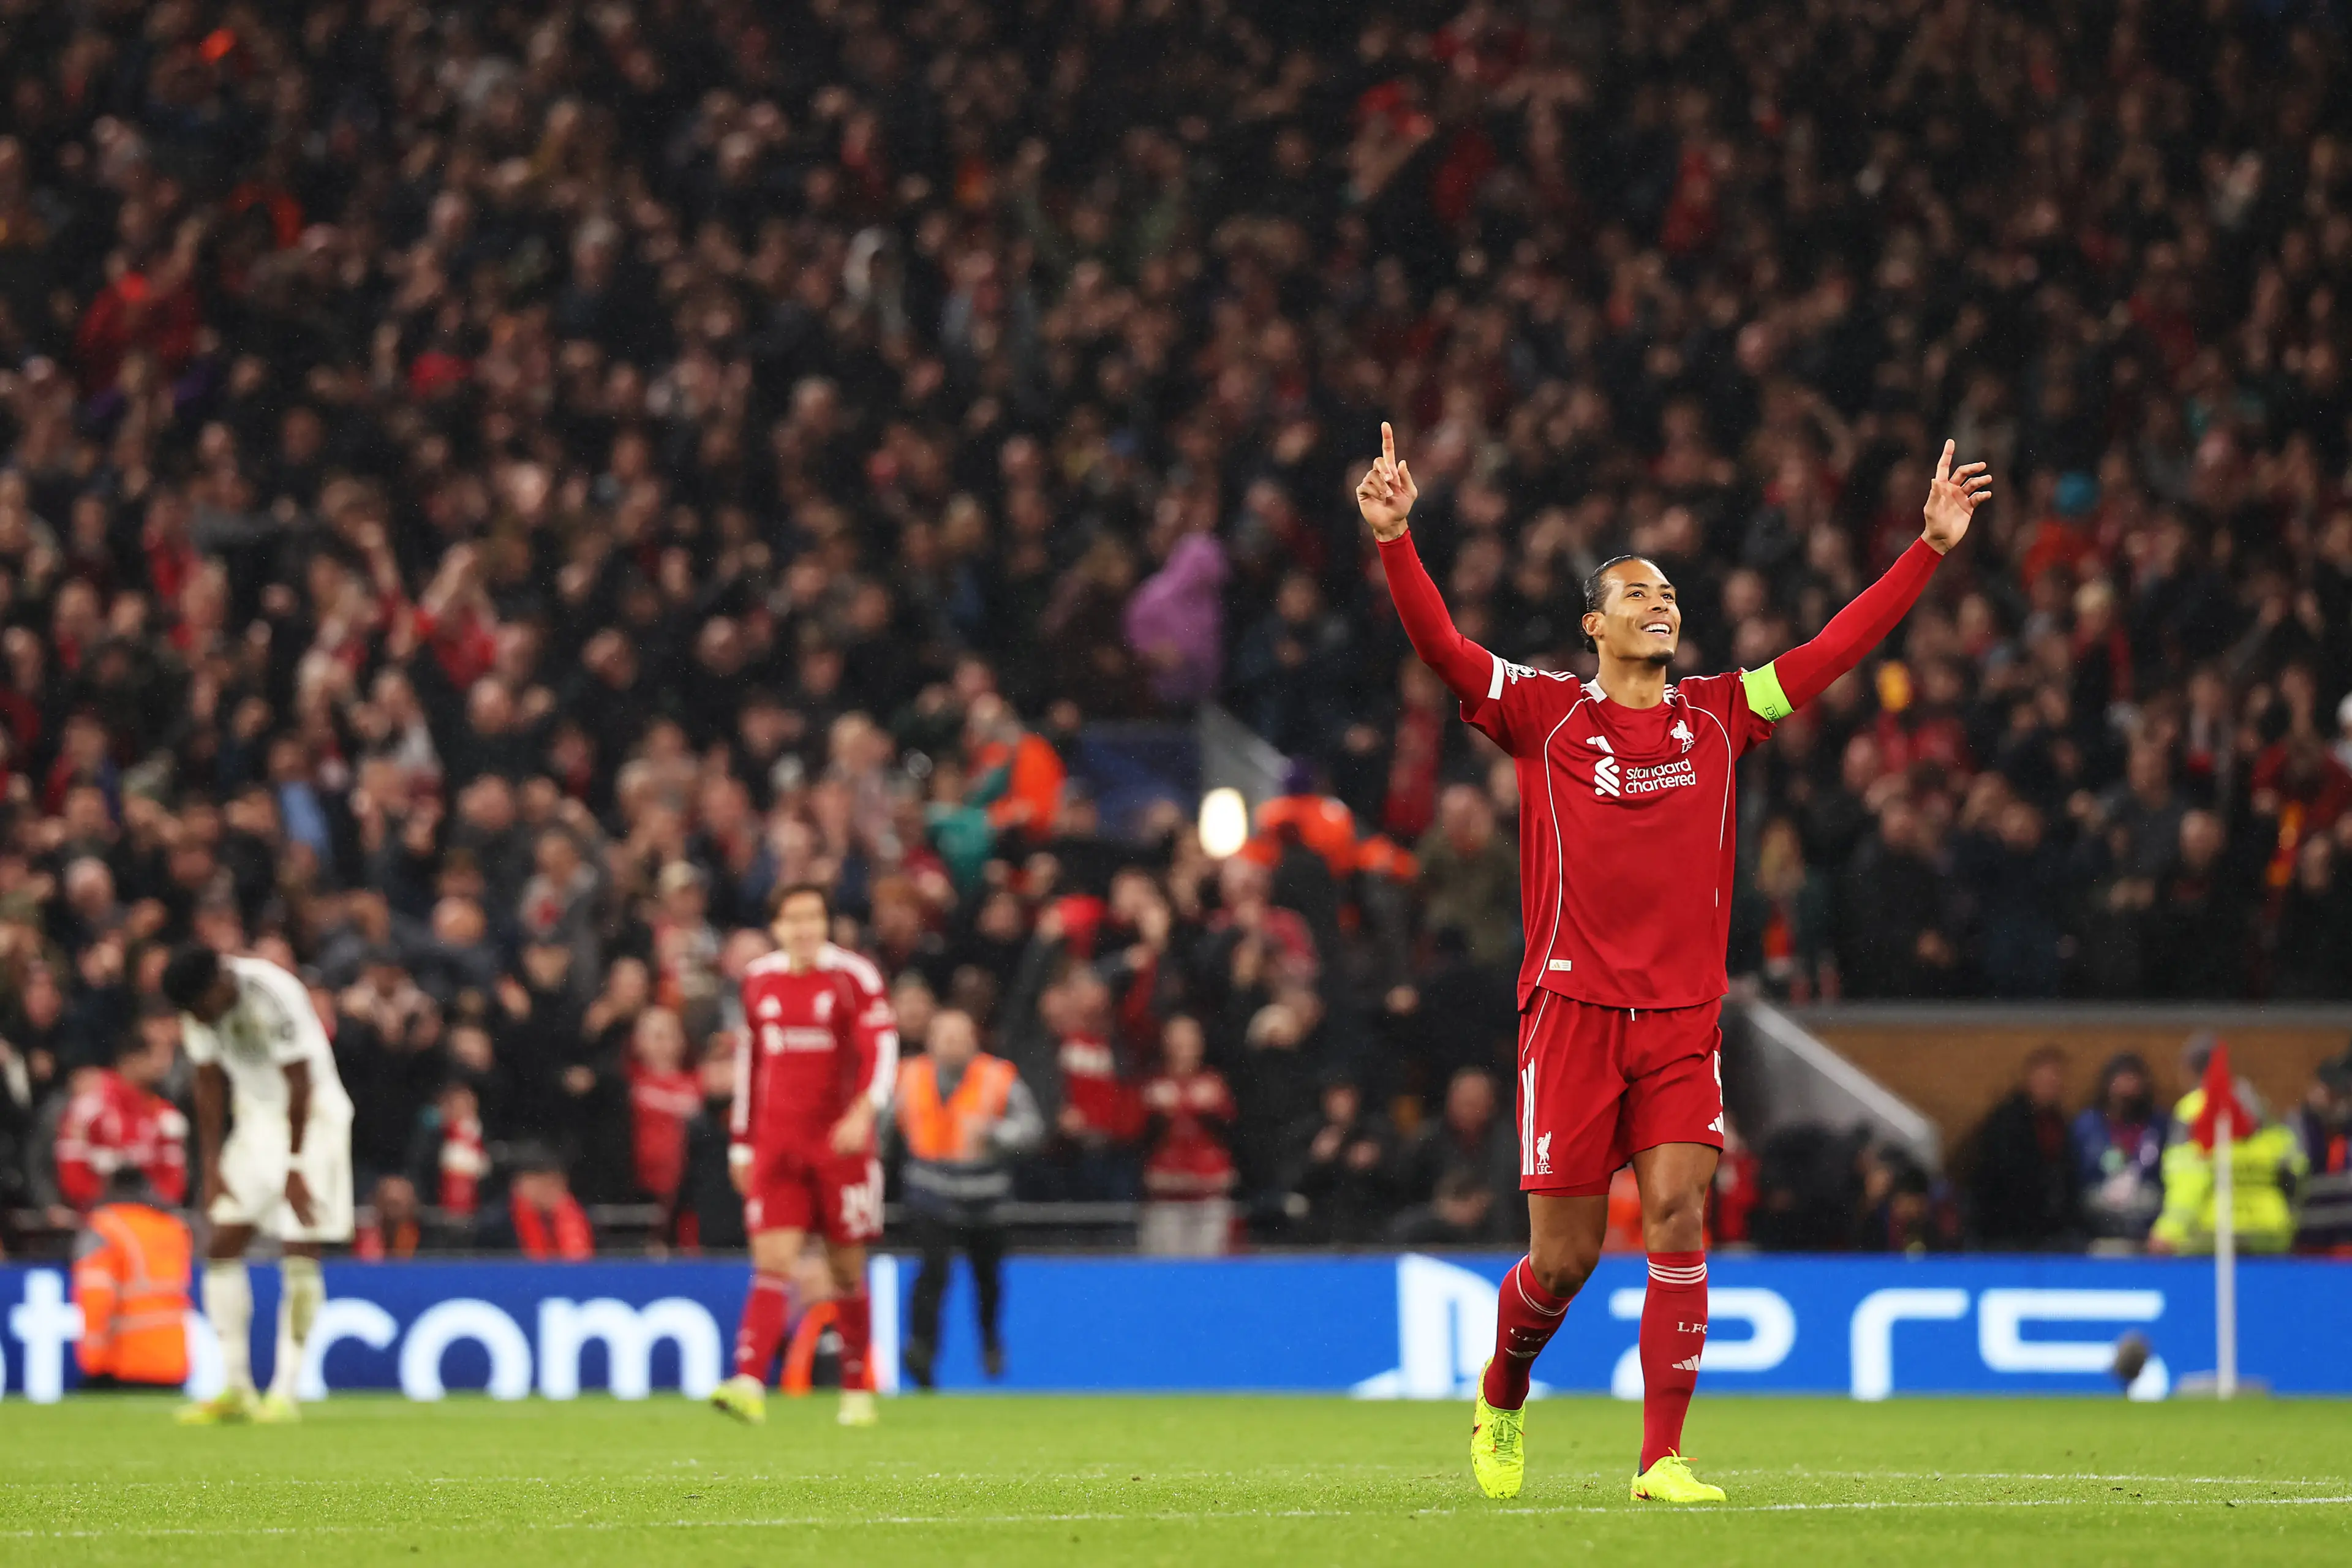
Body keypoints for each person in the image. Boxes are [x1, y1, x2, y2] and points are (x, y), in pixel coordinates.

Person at [1360, 421, 1991, 1503]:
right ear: (1593, 625)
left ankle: (1662, 1460)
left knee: (1678, 1218)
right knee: (1561, 1263)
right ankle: (1503, 1393)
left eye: (1670, 595)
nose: (1664, 606)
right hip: (1569, 1015)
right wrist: (1397, 541)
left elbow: (1834, 652)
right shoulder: (1546, 713)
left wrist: (1927, 549)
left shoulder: (1723, 714)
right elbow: (1444, 653)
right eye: (1640, 594)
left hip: (1681, 1022)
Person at [711, 883, 897, 1429]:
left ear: (826, 923)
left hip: (840, 1146)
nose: (805, 929)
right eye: (793, 920)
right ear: (777, 927)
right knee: (773, 1261)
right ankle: (748, 1382)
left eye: (814, 918)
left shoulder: (854, 977)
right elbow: (751, 1066)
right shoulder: (759, 980)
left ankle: (858, 1388)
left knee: (845, 1270)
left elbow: (881, 1049)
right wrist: (743, 1141)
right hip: (777, 1146)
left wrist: (866, 1112)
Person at [164, 943, 355, 1426]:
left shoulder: (273, 991)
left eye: (204, 1006)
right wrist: (209, 1165)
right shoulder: (198, 1008)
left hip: (314, 1122)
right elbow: (207, 1082)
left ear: (221, 980)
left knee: (299, 1247)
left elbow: (301, 1079)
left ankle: (285, 1392)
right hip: (254, 1124)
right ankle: (236, 1388)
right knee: (222, 1242)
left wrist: (295, 1166)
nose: (203, 1017)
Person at [894, 1007, 1042, 1389]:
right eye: (944, 1038)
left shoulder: (998, 1077)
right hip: (930, 1191)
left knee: (987, 1277)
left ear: (973, 1041)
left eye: (959, 1038)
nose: (952, 1046)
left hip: (985, 1195)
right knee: (932, 1275)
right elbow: (883, 1127)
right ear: (930, 1042)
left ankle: (991, 1340)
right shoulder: (909, 1076)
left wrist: (994, 1133)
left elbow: (1032, 1127)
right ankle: (922, 1351)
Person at [72, 1167, 193, 1391]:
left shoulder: (105, 1228)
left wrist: (94, 1364)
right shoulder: (172, 1227)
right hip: (173, 1362)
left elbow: (96, 1297)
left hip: (125, 1363)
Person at [54, 1020, 187, 1213]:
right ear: (130, 1058)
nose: (165, 1063)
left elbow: (174, 1182)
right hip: (94, 1219)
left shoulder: (166, 1116)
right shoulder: (88, 1107)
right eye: (158, 1053)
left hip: (153, 1219)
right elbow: (72, 1172)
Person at [1136, 1013, 1240, 1256]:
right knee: (1165, 1271)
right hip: (1166, 1193)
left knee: (1209, 1272)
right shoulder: (1153, 1086)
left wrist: (1211, 1107)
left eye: (1189, 1042)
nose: (1183, 1049)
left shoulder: (1215, 1086)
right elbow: (1135, 1135)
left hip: (1209, 1191)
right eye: (1177, 1042)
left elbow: (1232, 1131)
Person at [1967, 1046, 2082, 1249]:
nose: (2051, 1086)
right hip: (2007, 1232)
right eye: (2045, 1079)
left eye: (2055, 1080)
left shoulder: (2060, 1124)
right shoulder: (2006, 1123)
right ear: (2030, 1080)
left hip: (2048, 1232)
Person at [2071, 1052, 2167, 1242]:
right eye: (2121, 1079)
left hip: (2147, 1221)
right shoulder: (2087, 1125)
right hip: (2097, 1222)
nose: (2126, 1087)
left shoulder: (2159, 1125)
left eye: (2133, 1079)